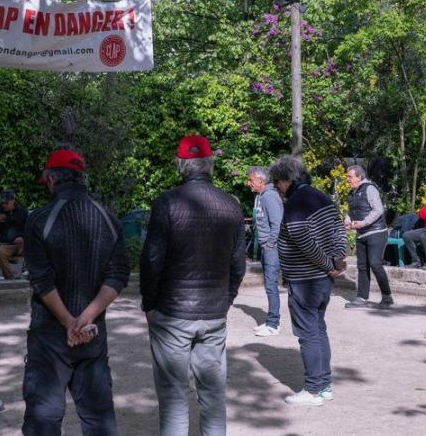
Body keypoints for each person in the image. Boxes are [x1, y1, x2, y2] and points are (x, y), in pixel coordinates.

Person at [140, 134, 246, 435]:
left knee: (174, 397)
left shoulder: (166, 203)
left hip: (172, 314)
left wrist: (149, 303)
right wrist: (225, 301)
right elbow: (238, 264)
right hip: (213, 313)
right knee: (213, 395)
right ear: (209, 164)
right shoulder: (231, 205)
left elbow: (151, 260)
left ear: (180, 164)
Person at [22, 148, 131, 436]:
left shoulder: (38, 220)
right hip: (93, 332)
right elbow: (119, 274)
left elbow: (41, 279)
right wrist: (86, 317)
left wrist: (68, 321)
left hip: (50, 334)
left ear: (50, 179)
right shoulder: (108, 218)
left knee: (43, 418)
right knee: (98, 419)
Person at [269, 156, 347, 406]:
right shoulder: (322, 197)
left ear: (286, 179)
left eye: (277, 183)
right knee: (318, 330)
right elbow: (338, 230)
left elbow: (302, 239)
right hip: (322, 278)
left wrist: (327, 263)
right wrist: (337, 260)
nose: (277, 188)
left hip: (306, 279)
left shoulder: (297, 202)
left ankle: (313, 389)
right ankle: (324, 385)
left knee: (308, 333)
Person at [344, 165, 393, 309]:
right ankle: (361, 298)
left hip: (376, 232)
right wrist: (347, 221)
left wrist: (363, 223)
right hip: (361, 234)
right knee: (362, 266)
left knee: (375, 263)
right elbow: (351, 211)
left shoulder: (369, 189)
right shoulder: (352, 193)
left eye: (350, 177)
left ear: (359, 177)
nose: (347, 179)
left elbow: (378, 210)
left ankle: (387, 297)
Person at [247, 166, 284, 336]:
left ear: (261, 181)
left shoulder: (269, 196)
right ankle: (271, 319)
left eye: (251, 180)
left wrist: (269, 244)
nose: (248, 183)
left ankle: (274, 324)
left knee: (271, 285)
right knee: (269, 285)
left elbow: (277, 223)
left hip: (271, 248)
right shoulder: (261, 196)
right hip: (265, 247)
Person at [0, 190, 28, 279]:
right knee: (0, 253)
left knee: (35, 246)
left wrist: (23, 238)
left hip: (22, 244)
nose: (4, 205)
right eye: (3, 203)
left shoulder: (22, 212)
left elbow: (29, 230)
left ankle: (28, 273)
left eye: (6, 203)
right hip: (6, 245)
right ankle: (10, 279)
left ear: (13, 201)